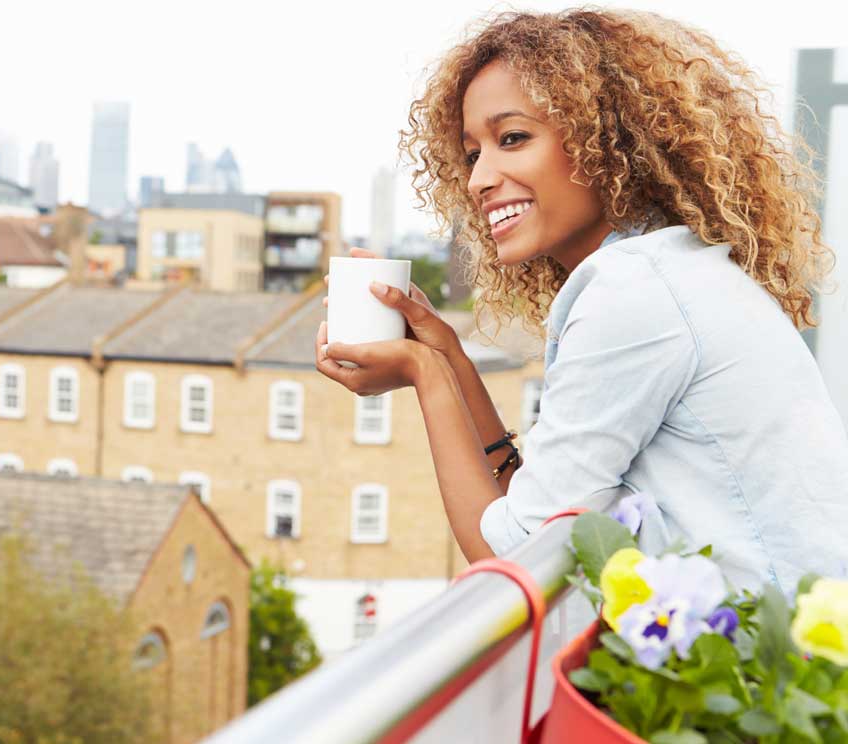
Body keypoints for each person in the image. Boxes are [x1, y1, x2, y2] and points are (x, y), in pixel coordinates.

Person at [315, 9, 848, 593]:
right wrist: (449, 356)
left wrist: (424, 374)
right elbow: (546, 509)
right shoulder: (668, 269)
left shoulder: (634, 291)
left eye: (512, 138)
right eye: (472, 154)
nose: (478, 179)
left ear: (606, 140)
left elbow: (519, 561)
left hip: (769, 672)